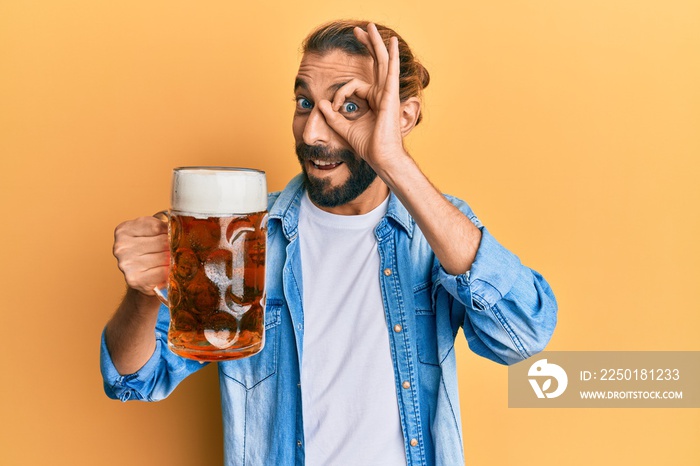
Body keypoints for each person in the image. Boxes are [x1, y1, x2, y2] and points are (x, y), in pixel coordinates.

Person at [101, 20, 558, 466]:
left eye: (349, 107)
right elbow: (135, 379)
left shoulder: (435, 232)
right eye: (304, 102)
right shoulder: (245, 235)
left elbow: (523, 334)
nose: (312, 134)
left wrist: (393, 162)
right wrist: (143, 297)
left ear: (403, 117)